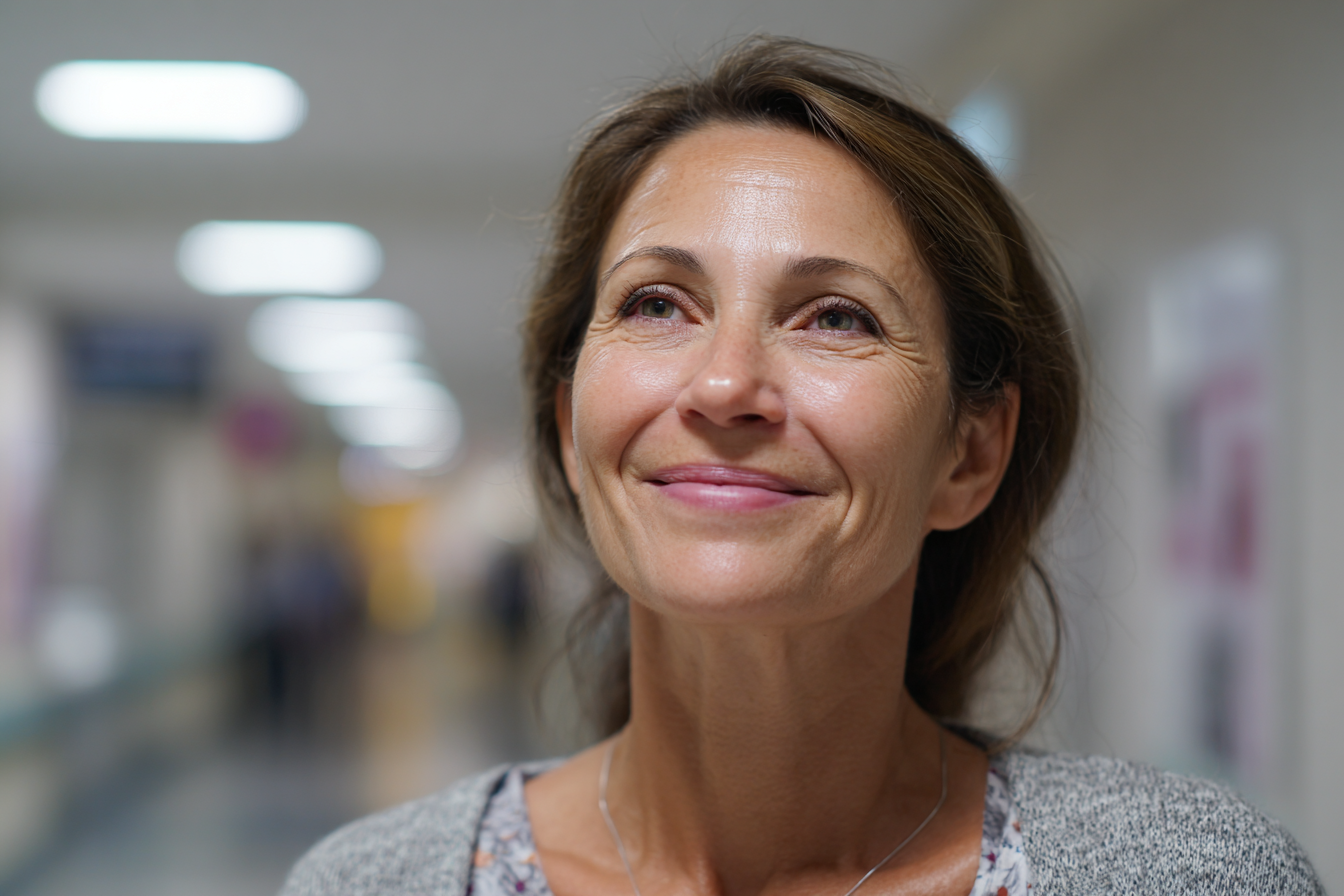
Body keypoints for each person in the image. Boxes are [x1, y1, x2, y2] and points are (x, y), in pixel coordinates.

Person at [280, 36, 1322, 896]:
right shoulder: (372, 879)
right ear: (567, 421)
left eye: (836, 317)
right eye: (656, 304)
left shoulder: (1187, 875)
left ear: (971, 451)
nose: (726, 385)